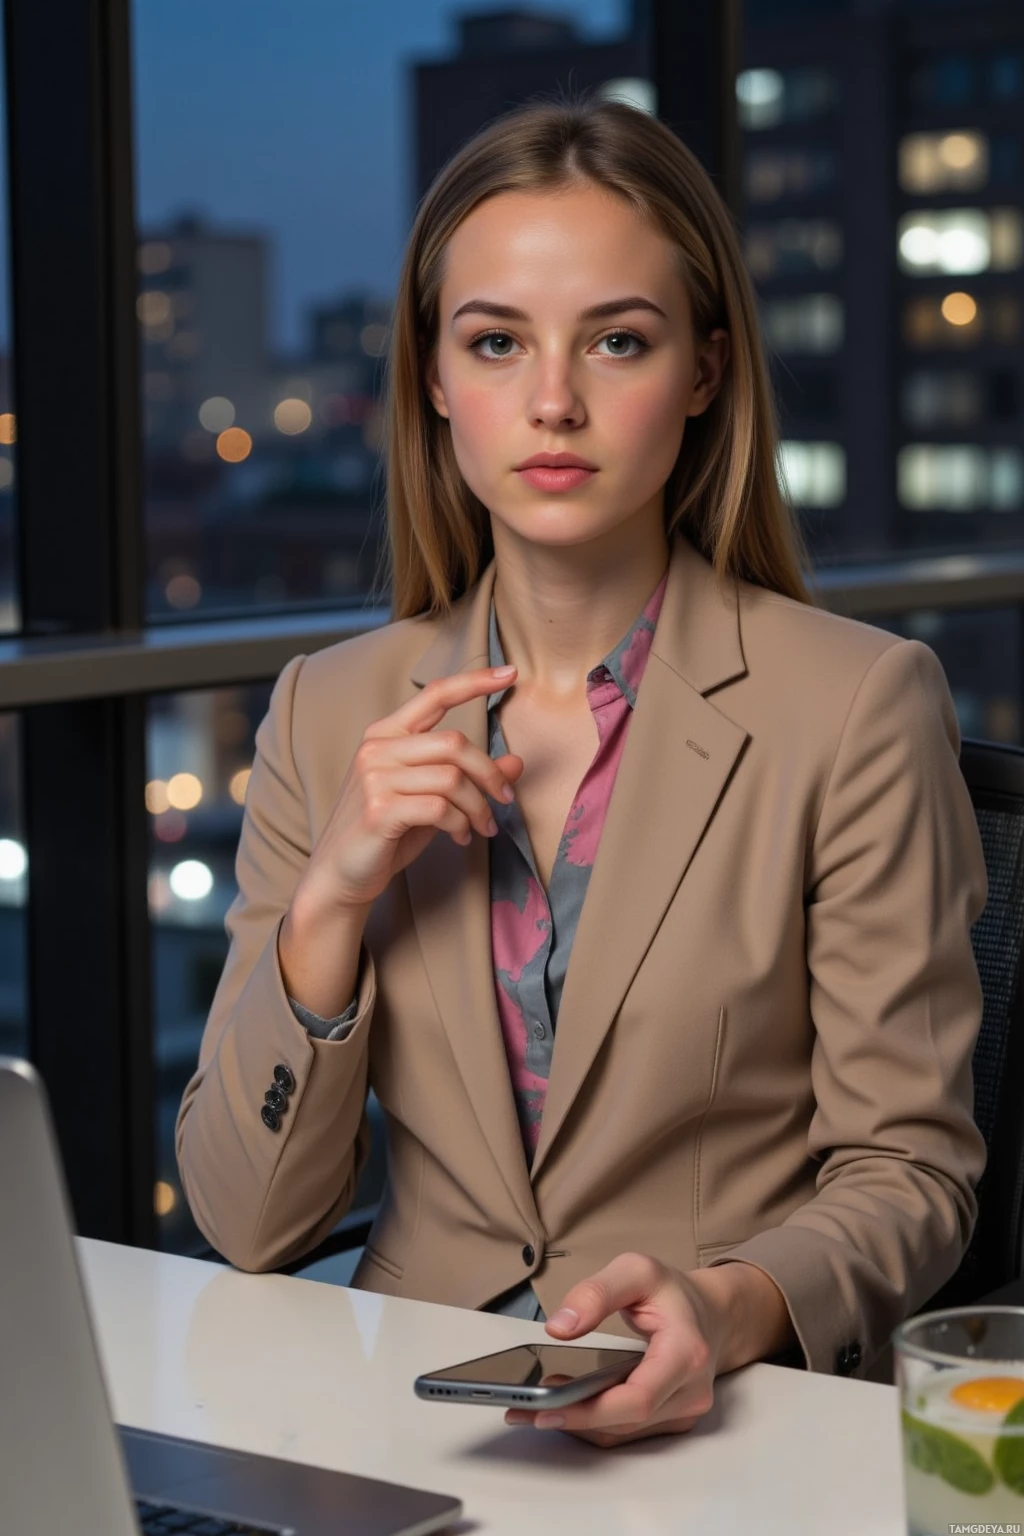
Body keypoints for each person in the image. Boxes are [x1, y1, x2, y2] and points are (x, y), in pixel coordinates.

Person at [175, 92, 989, 1447]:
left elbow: (912, 1176)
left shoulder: (853, 706)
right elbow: (248, 1222)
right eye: (496, 343)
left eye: (618, 340)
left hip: (723, 1426)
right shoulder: (329, 712)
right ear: (435, 382)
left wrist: (725, 1309)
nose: (552, 402)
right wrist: (330, 904)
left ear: (708, 370)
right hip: (400, 1423)